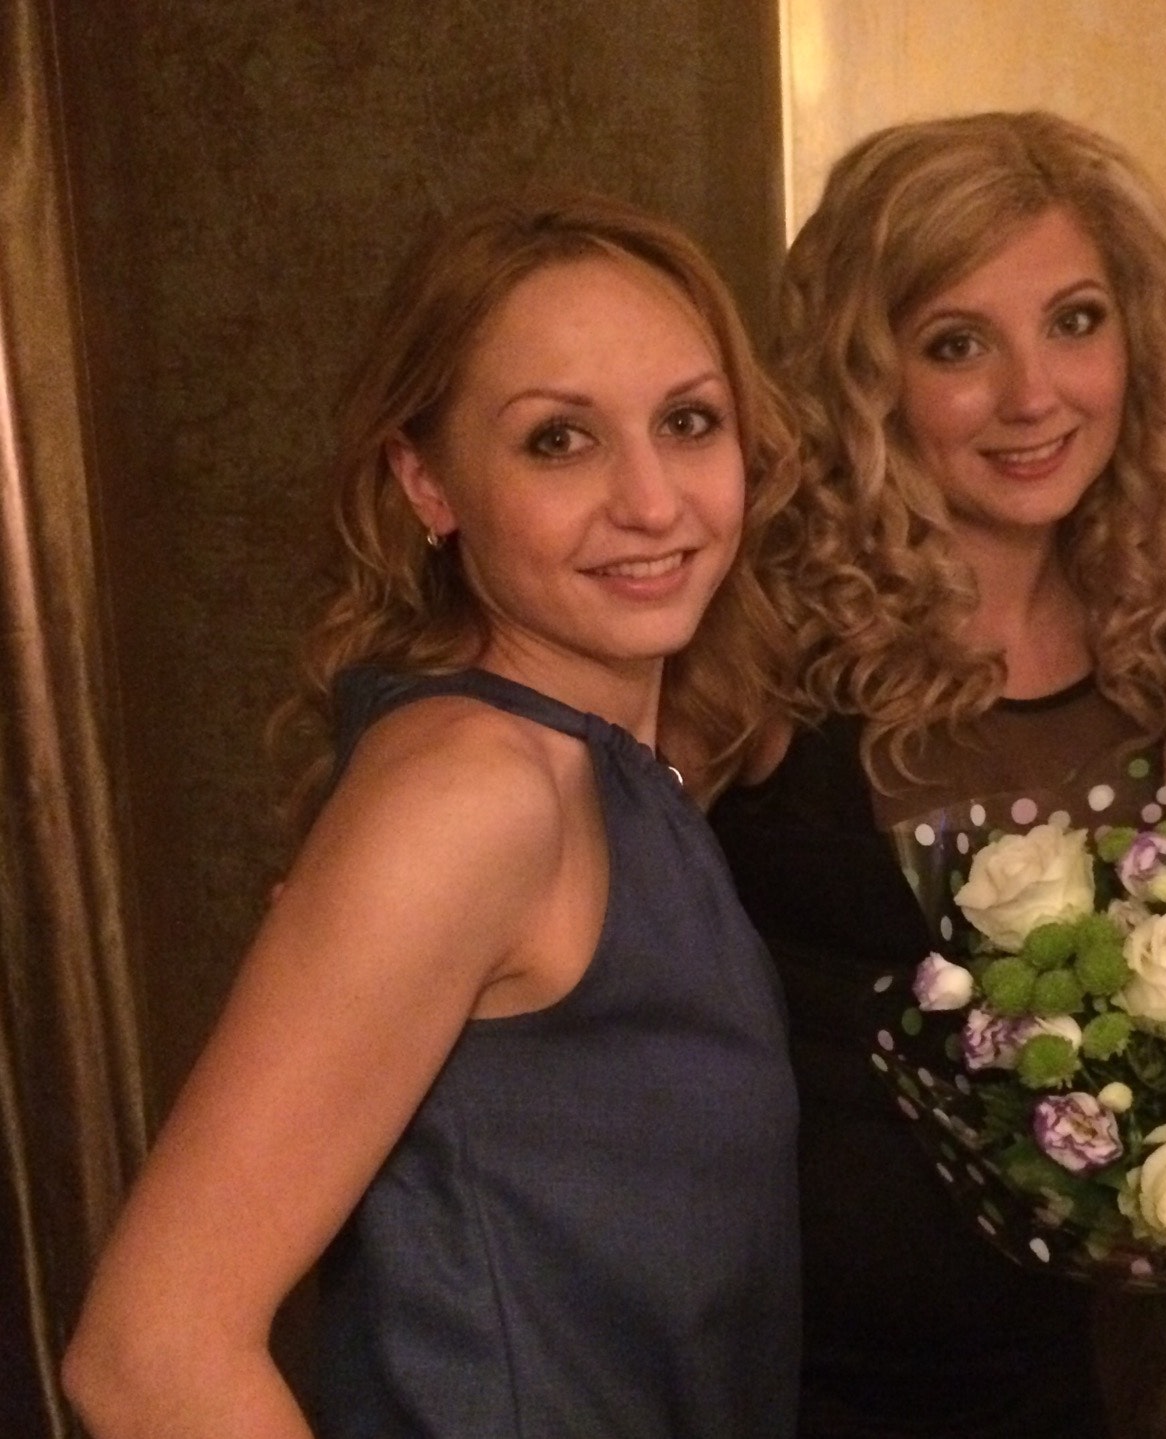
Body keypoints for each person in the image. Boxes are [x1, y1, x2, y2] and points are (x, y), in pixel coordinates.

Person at [61, 192, 804, 1438]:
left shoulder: (607, 762)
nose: (652, 500)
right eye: (559, 440)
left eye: (688, 421)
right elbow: (147, 1354)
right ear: (428, 482)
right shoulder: (473, 788)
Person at [684, 112, 1166, 1438]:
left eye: (1075, 322)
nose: (1033, 394)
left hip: (1102, 1379)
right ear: (868, 375)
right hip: (818, 1379)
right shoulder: (755, 647)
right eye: (958, 343)